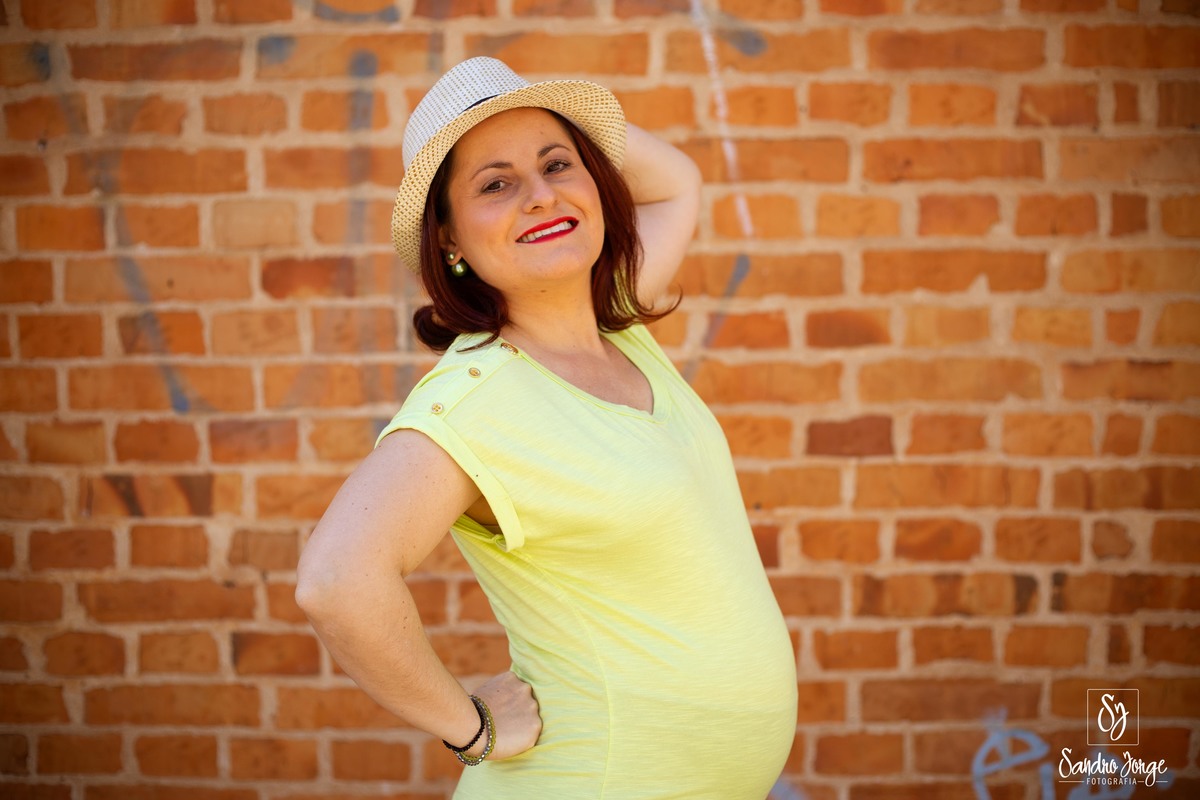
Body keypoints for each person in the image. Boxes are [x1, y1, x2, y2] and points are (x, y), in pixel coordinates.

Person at [296, 57, 798, 799]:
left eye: (557, 166)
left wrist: (554, 118)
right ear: (450, 240)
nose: (540, 195)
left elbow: (676, 182)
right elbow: (336, 580)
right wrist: (469, 727)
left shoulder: (614, 328)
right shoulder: (477, 401)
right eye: (495, 184)